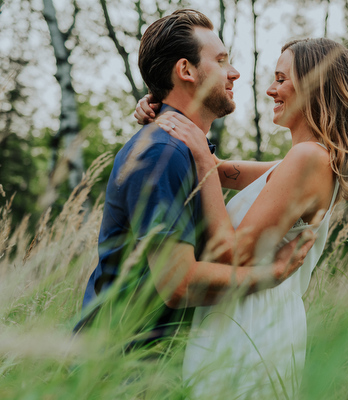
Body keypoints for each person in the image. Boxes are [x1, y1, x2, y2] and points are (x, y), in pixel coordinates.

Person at [135, 37, 348, 397]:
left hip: (251, 327)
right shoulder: (298, 161)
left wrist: (201, 157)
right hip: (241, 317)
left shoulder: (308, 159)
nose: (270, 90)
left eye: (281, 79)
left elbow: (230, 252)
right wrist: (162, 115)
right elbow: (217, 170)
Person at [75, 9, 314, 350]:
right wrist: (272, 274)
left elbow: (291, 171)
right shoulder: (162, 153)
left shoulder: (187, 151)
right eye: (220, 61)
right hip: (121, 365)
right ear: (185, 70)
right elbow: (179, 285)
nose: (234, 72)